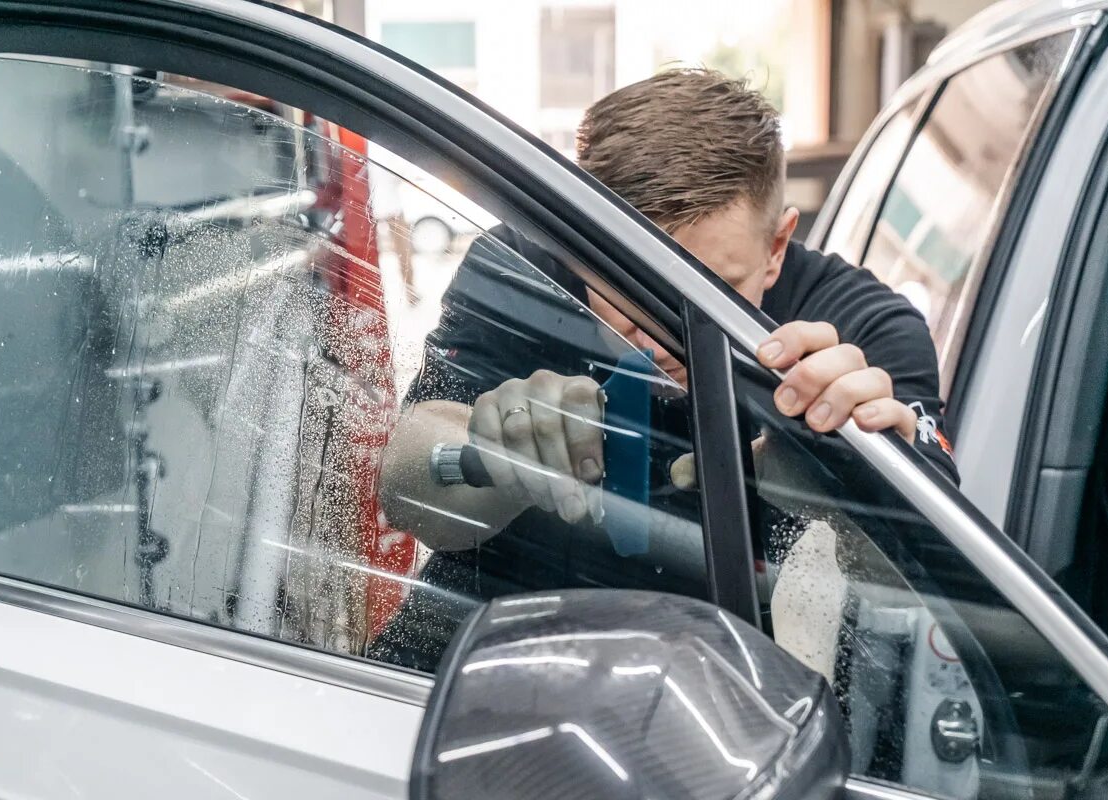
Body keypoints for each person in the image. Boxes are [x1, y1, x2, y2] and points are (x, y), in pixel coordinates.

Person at [369, 68, 956, 670]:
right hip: (479, 658)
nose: (658, 335)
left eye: (714, 295)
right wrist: (494, 450)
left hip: (715, 691)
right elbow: (404, 485)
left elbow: (942, 586)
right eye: (626, 292)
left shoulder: (854, 329)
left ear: (776, 247)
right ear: (574, 246)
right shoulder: (521, 271)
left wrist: (861, 490)